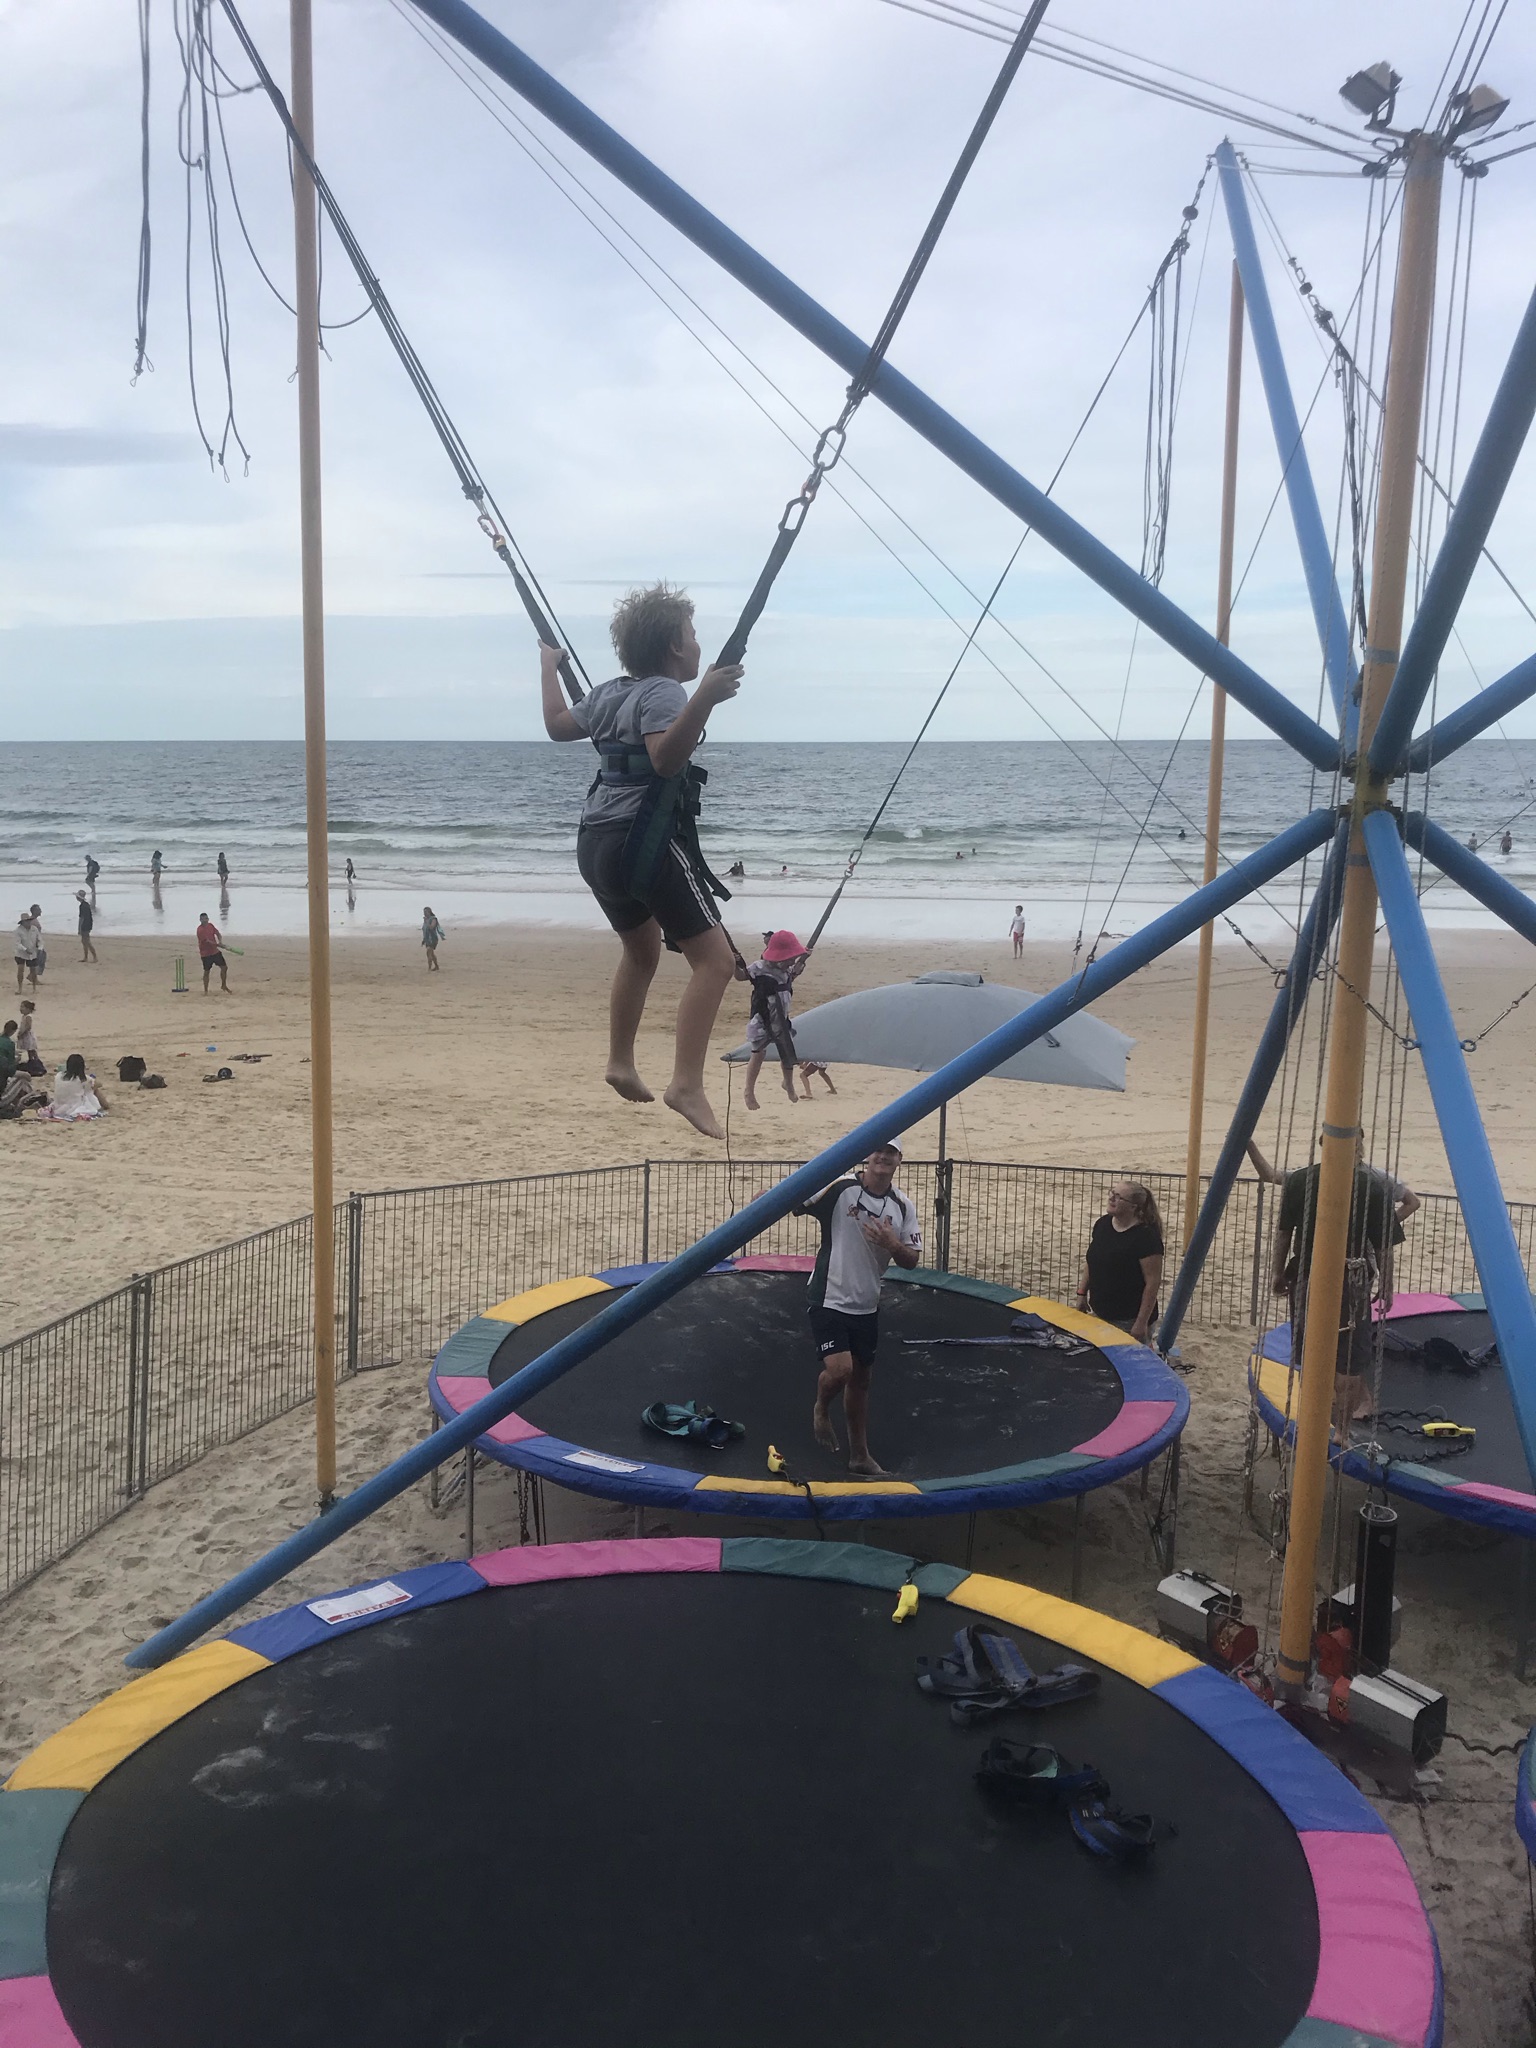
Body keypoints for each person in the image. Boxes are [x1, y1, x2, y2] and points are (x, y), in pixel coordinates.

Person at [539, 582, 743, 1141]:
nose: (700, 644)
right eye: (694, 634)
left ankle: (621, 1060)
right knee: (716, 963)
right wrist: (703, 697)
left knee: (641, 949)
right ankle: (686, 1084)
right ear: (675, 649)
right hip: (642, 840)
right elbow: (665, 757)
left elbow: (556, 726)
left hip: (595, 843)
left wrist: (547, 666)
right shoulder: (665, 694)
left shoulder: (608, 693)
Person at [1247, 1137, 1416, 1428]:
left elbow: (1284, 1233)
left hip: (1310, 1273)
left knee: (1314, 1349)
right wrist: (1386, 1283)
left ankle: (1323, 1419)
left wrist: (1277, 1272)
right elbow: (1385, 1245)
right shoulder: (1372, 1184)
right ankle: (1342, 1428)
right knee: (1350, 1351)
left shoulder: (1308, 1179)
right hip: (1352, 1275)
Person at [794, 1141, 922, 1476]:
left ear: (899, 1160)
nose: (883, 1157)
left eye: (890, 1153)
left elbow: (911, 1260)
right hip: (829, 1296)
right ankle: (821, 1408)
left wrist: (892, 1244)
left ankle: (859, 1455)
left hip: (867, 1303)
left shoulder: (902, 1205)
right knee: (841, 1371)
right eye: (877, 1150)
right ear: (867, 1156)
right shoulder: (840, 1188)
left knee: (862, 1380)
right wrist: (766, 1199)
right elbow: (795, 1201)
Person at [1075, 1181, 1164, 1344]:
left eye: (1118, 1197)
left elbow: (1152, 1283)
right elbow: (1092, 1261)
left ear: (1133, 1207)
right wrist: (1081, 1293)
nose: (1111, 1199)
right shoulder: (1102, 1224)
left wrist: (1141, 1323)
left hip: (1129, 1319)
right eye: (1112, 1193)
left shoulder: (1146, 1237)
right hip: (1101, 1312)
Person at [738, 930, 808, 1109]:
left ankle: (788, 1083)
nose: (791, 962)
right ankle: (749, 1091)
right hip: (762, 1015)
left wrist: (800, 965)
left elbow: (790, 978)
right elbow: (740, 976)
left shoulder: (786, 970)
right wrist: (734, 963)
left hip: (781, 1017)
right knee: (758, 1052)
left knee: (787, 1051)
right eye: (789, 959)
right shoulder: (759, 968)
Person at [40, 1053, 108, 1120]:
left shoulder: (58, 1075)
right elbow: (99, 1084)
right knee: (92, 1090)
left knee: (86, 1089)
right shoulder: (83, 1079)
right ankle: (106, 1105)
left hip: (58, 1107)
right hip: (73, 1107)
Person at [197, 912, 230, 994]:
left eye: (206, 919)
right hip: (206, 953)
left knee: (224, 967)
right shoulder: (200, 930)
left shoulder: (210, 925)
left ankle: (224, 985)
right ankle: (206, 990)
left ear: (208, 919)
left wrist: (220, 942)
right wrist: (218, 945)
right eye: (203, 919)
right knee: (207, 971)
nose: (204, 920)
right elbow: (207, 942)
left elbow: (218, 934)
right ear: (200, 920)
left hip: (215, 952)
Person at [13, 912, 40, 996]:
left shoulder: (34, 929)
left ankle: (34, 988)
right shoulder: (17, 931)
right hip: (21, 953)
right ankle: (19, 988)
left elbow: (39, 940)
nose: (28, 923)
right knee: (20, 970)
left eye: (29, 921)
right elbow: (17, 943)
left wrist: (40, 948)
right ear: (22, 922)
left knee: (33, 971)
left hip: (32, 953)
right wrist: (25, 949)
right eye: (26, 921)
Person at [15, 1001, 44, 1075]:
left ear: (28, 1009)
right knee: (31, 1051)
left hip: (28, 1037)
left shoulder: (28, 1016)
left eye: (22, 1007)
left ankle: (36, 1065)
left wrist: (21, 1033)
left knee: (32, 1051)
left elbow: (28, 1027)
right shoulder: (24, 1016)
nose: (20, 1009)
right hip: (26, 1036)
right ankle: (35, 1064)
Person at [75, 891, 97, 964]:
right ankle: (86, 957)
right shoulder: (86, 905)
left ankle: (94, 957)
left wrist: (79, 928)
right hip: (88, 924)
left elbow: (81, 918)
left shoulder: (82, 906)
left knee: (87, 942)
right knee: (84, 941)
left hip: (85, 925)